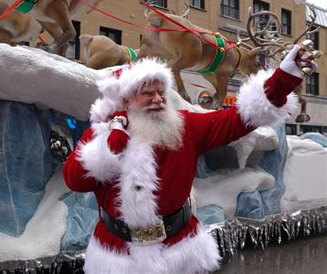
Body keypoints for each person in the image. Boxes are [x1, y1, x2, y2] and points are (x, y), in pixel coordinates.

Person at [63, 43, 314, 273]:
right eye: (148, 93)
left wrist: (282, 80)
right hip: (117, 256)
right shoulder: (101, 134)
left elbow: (238, 120)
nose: (158, 99)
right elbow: (75, 181)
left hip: (181, 252)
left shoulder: (186, 126)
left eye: (161, 92)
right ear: (127, 100)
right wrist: (108, 149)